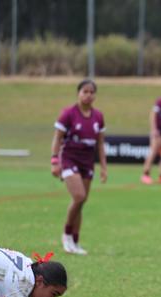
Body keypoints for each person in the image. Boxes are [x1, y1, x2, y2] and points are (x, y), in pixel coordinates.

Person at [51, 79, 107, 255]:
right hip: (69, 159)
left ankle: (75, 241)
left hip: (87, 162)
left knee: (81, 202)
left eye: (92, 92)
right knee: (79, 196)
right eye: (85, 91)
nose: (88, 95)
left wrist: (104, 167)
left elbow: (100, 144)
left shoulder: (98, 116)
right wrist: (55, 161)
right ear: (78, 93)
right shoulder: (68, 114)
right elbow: (57, 138)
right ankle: (66, 234)